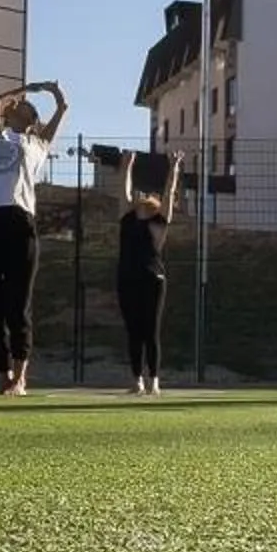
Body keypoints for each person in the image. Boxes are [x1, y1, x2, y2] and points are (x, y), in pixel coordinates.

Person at [0, 80, 65, 396]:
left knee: (17, 304)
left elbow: (63, 109)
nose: (13, 109)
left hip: (16, 219)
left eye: (20, 107)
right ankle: (5, 374)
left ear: (30, 119)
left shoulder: (36, 143)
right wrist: (17, 91)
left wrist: (52, 93)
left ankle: (20, 378)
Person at [114, 149, 171, 395]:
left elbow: (169, 195)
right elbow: (123, 192)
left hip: (153, 279)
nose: (144, 197)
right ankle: (137, 380)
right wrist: (127, 166)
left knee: (151, 330)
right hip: (127, 278)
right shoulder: (127, 218)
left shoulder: (158, 222)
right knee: (133, 330)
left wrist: (175, 170)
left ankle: (154, 380)